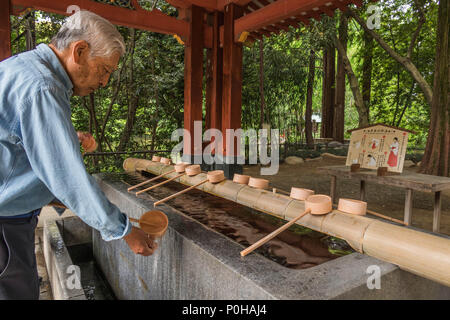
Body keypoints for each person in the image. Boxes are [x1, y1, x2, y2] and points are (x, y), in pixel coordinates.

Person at [0, 10, 156, 300]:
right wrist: (124, 230)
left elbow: (16, 143)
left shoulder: (23, 68)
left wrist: (67, 138)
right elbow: (67, 176)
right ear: (80, 51)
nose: (105, 82)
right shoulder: (42, 87)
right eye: (105, 70)